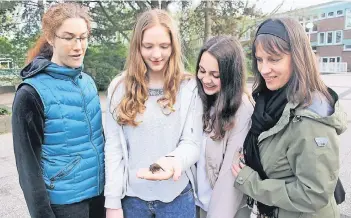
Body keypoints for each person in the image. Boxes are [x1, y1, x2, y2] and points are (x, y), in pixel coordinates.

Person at [232, 17, 347, 218]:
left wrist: (251, 183)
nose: (264, 69)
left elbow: (314, 193)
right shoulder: (269, 100)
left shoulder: (311, 116)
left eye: (274, 59)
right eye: (259, 59)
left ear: (297, 57)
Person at [104, 9, 203, 218]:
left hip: (177, 198)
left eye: (164, 46)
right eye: (148, 46)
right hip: (132, 201)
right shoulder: (119, 88)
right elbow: (114, 149)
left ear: (173, 46)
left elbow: (192, 143)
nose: (156, 55)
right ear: (137, 47)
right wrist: (112, 202)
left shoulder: (189, 87)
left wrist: (173, 162)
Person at [12, 3, 105, 218]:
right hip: (65, 205)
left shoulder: (88, 83)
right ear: (51, 38)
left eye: (83, 37)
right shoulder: (31, 93)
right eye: (69, 37)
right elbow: (28, 168)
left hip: (99, 196)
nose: (78, 46)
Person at [195, 36, 253, 218]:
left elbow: (230, 176)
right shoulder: (200, 99)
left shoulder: (242, 109)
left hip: (225, 209)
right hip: (199, 202)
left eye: (215, 75)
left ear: (230, 75)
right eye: (202, 70)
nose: (206, 79)